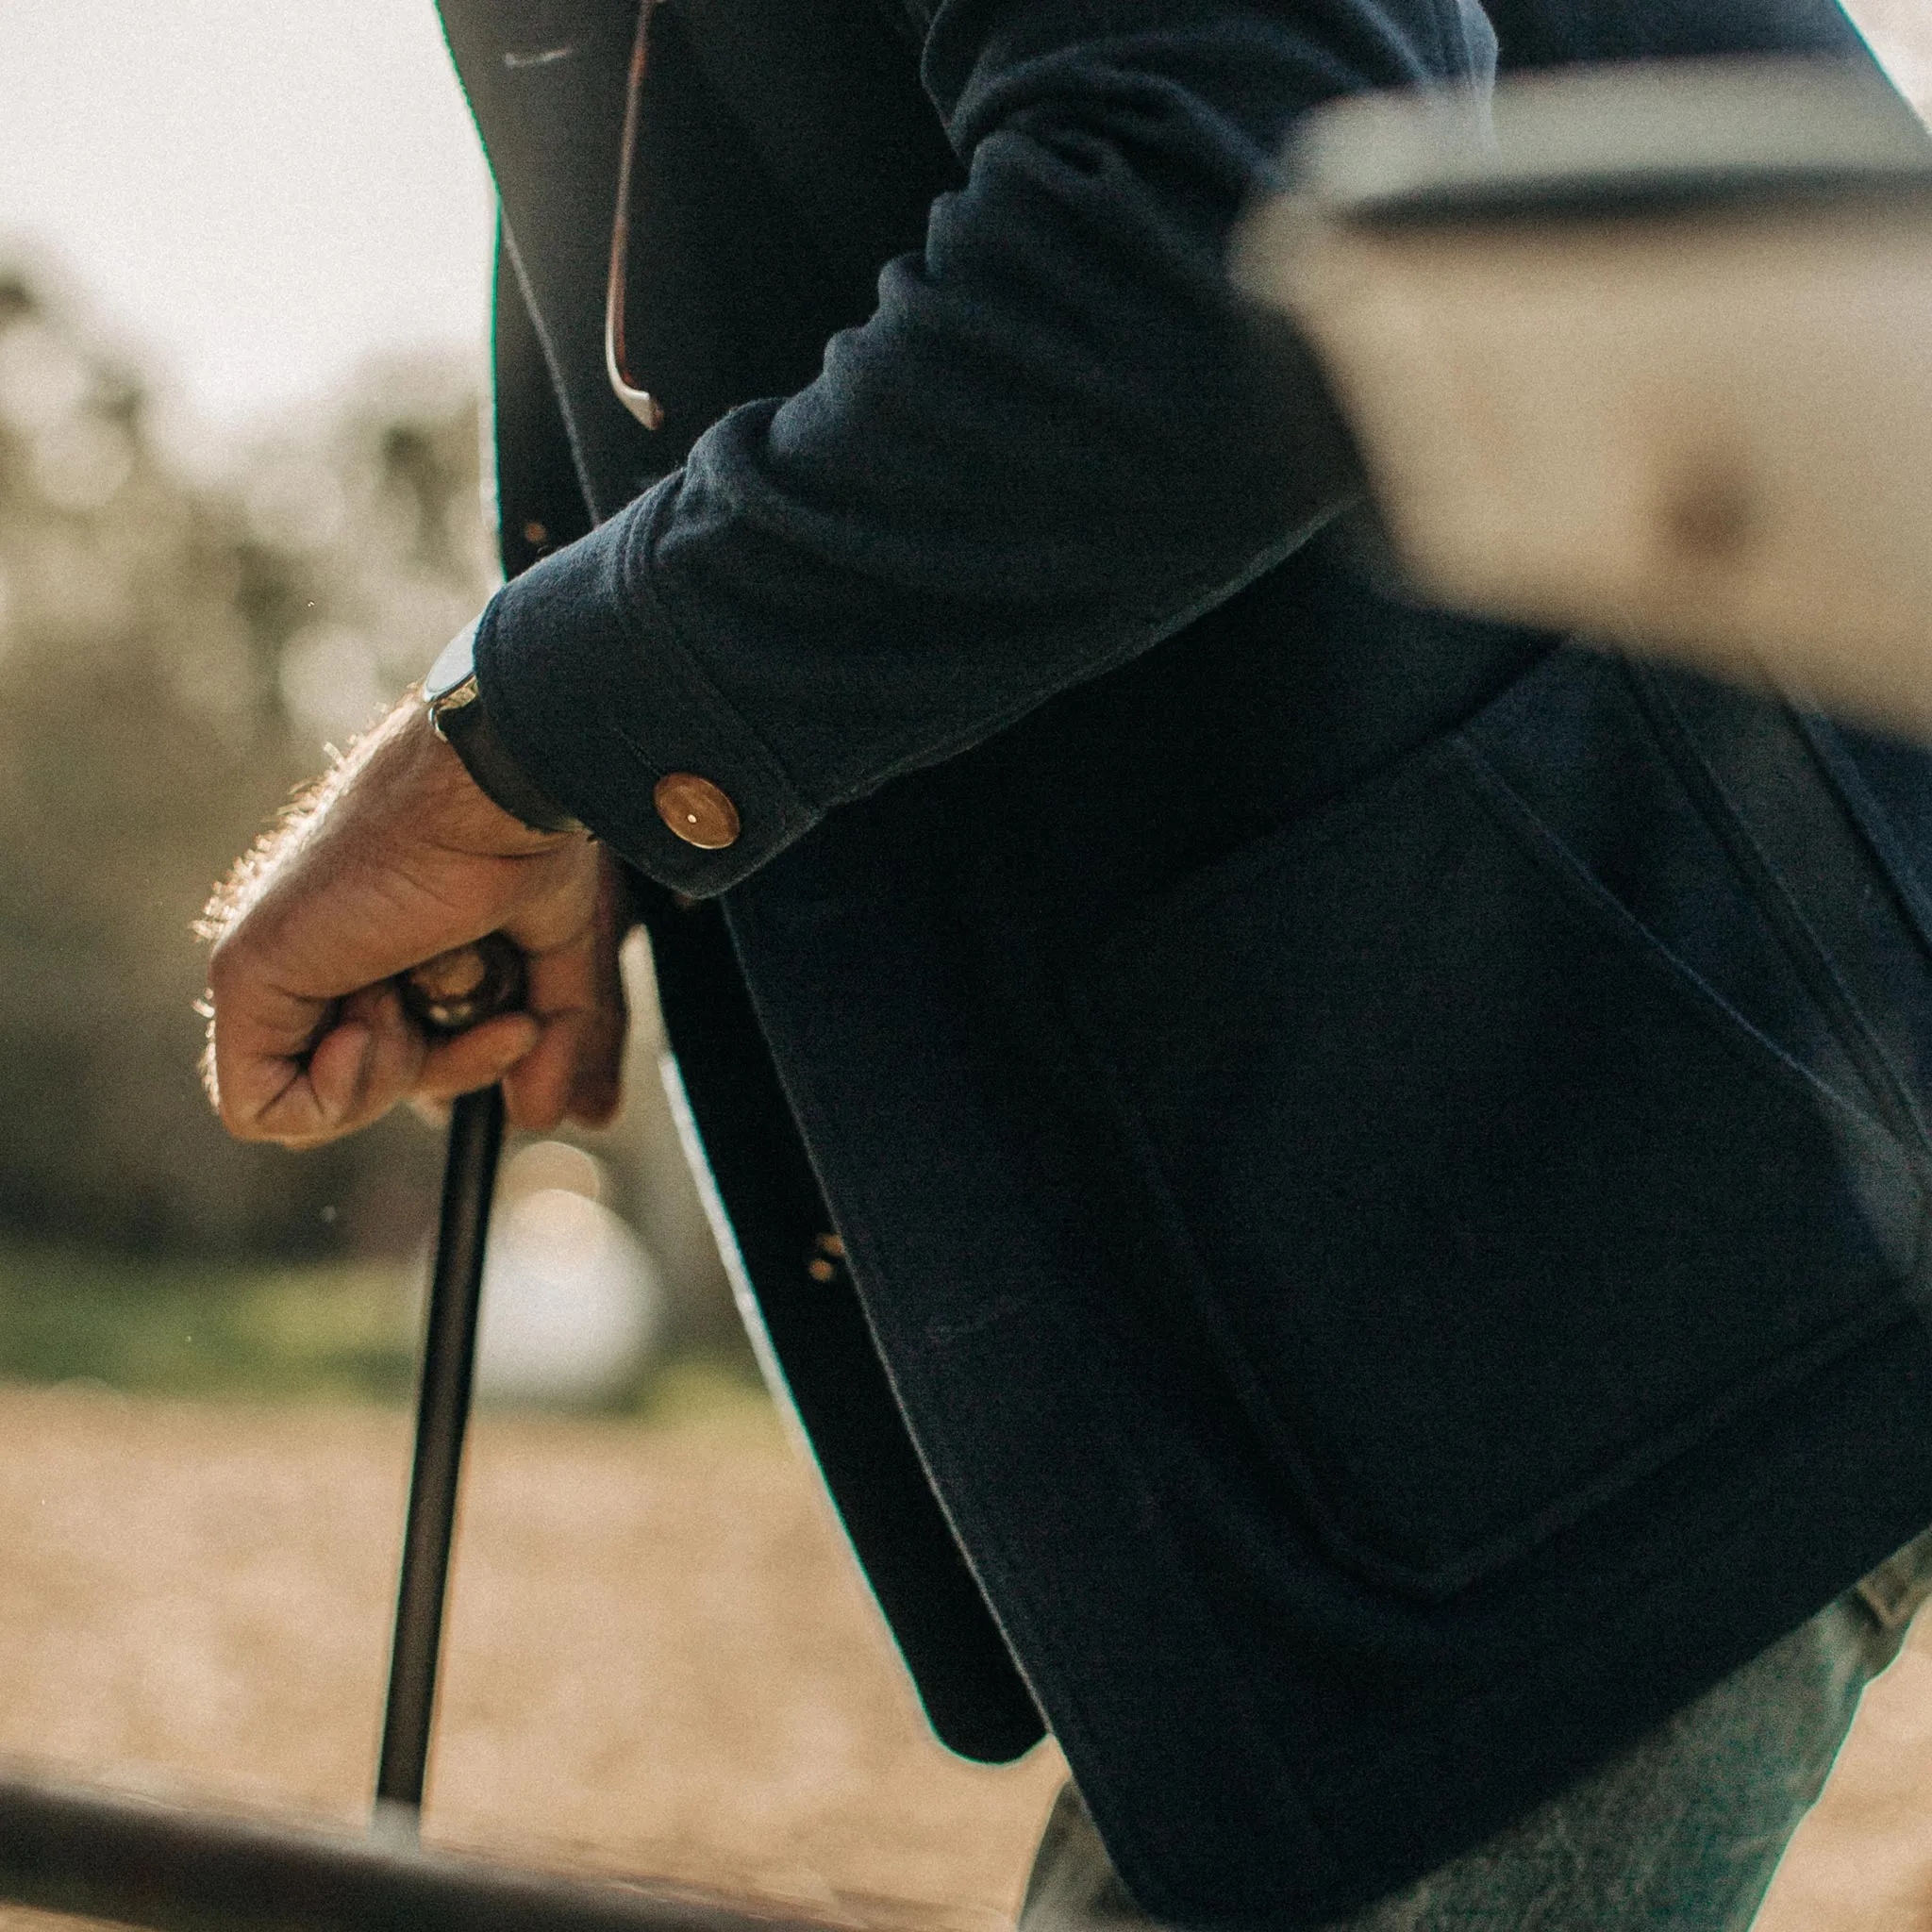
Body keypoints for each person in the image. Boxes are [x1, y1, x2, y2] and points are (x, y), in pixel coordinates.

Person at [200, 0, 1932, 1923]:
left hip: (1636, 1167)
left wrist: (531, 738)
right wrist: (586, 791)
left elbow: (1235, 200)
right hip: (1515, 1197)